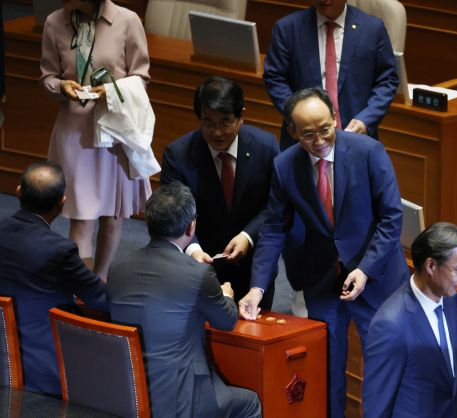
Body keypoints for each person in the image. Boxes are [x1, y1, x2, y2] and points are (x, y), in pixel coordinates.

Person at [239, 88, 409, 418]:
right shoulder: (284, 166)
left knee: (383, 371)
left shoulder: (369, 151)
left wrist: (365, 269)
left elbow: (392, 218)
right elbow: (274, 228)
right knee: (327, 373)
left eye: (325, 129)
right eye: (308, 134)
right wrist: (257, 287)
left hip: (376, 280)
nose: (319, 140)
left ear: (335, 119)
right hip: (323, 279)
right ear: (292, 132)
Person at [106, 182, 261, 418]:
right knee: (251, 403)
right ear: (191, 227)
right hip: (181, 396)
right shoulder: (198, 273)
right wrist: (226, 295)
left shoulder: (117, 268)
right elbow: (227, 322)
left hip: (126, 390)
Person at [40, 0, 152, 280]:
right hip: (74, 133)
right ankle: (82, 289)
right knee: (81, 218)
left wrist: (111, 92)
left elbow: (141, 77)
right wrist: (60, 86)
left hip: (114, 132)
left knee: (113, 217)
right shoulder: (54, 22)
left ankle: (99, 282)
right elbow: (47, 77)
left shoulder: (128, 21)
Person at [160, 76, 280, 308]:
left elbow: (275, 204)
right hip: (198, 266)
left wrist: (248, 236)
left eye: (225, 123)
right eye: (208, 123)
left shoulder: (266, 147)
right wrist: (193, 251)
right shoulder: (178, 155)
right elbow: (174, 215)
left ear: (241, 115)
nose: (217, 132)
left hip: (254, 266)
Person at [0, 161, 108, 396]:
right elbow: (100, 299)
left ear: (19, 193)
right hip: (42, 362)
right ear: (62, 203)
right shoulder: (60, 250)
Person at [363, 222, 457, 418]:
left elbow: (455, 379)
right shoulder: (390, 326)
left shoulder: (451, 299)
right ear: (430, 266)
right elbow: (376, 409)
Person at [263, 0, 399, 151]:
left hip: (356, 137)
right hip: (303, 140)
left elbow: (387, 80)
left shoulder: (373, 29)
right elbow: (274, 77)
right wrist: (299, 115)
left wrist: (367, 119)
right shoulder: (287, 28)